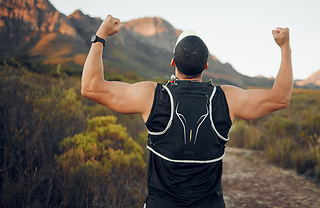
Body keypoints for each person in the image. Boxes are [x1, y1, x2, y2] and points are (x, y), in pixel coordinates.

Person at [81, 15, 293, 208]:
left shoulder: (153, 96)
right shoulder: (226, 99)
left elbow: (91, 87)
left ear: (173, 62)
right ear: (206, 65)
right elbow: (280, 97)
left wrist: (101, 35)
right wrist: (285, 47)